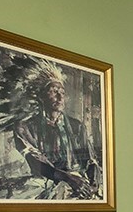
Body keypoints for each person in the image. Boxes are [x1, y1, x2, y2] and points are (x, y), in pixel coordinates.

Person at [7, 59, 101, 200]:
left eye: (62, 92)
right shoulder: (25, 127)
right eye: (54, 91)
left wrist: (94, 184)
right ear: (41, 96)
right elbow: (36, 163)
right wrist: (68, 178)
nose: (60, 97)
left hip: (79, 181)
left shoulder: (77, 126)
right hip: (44, 181)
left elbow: (90, 160)